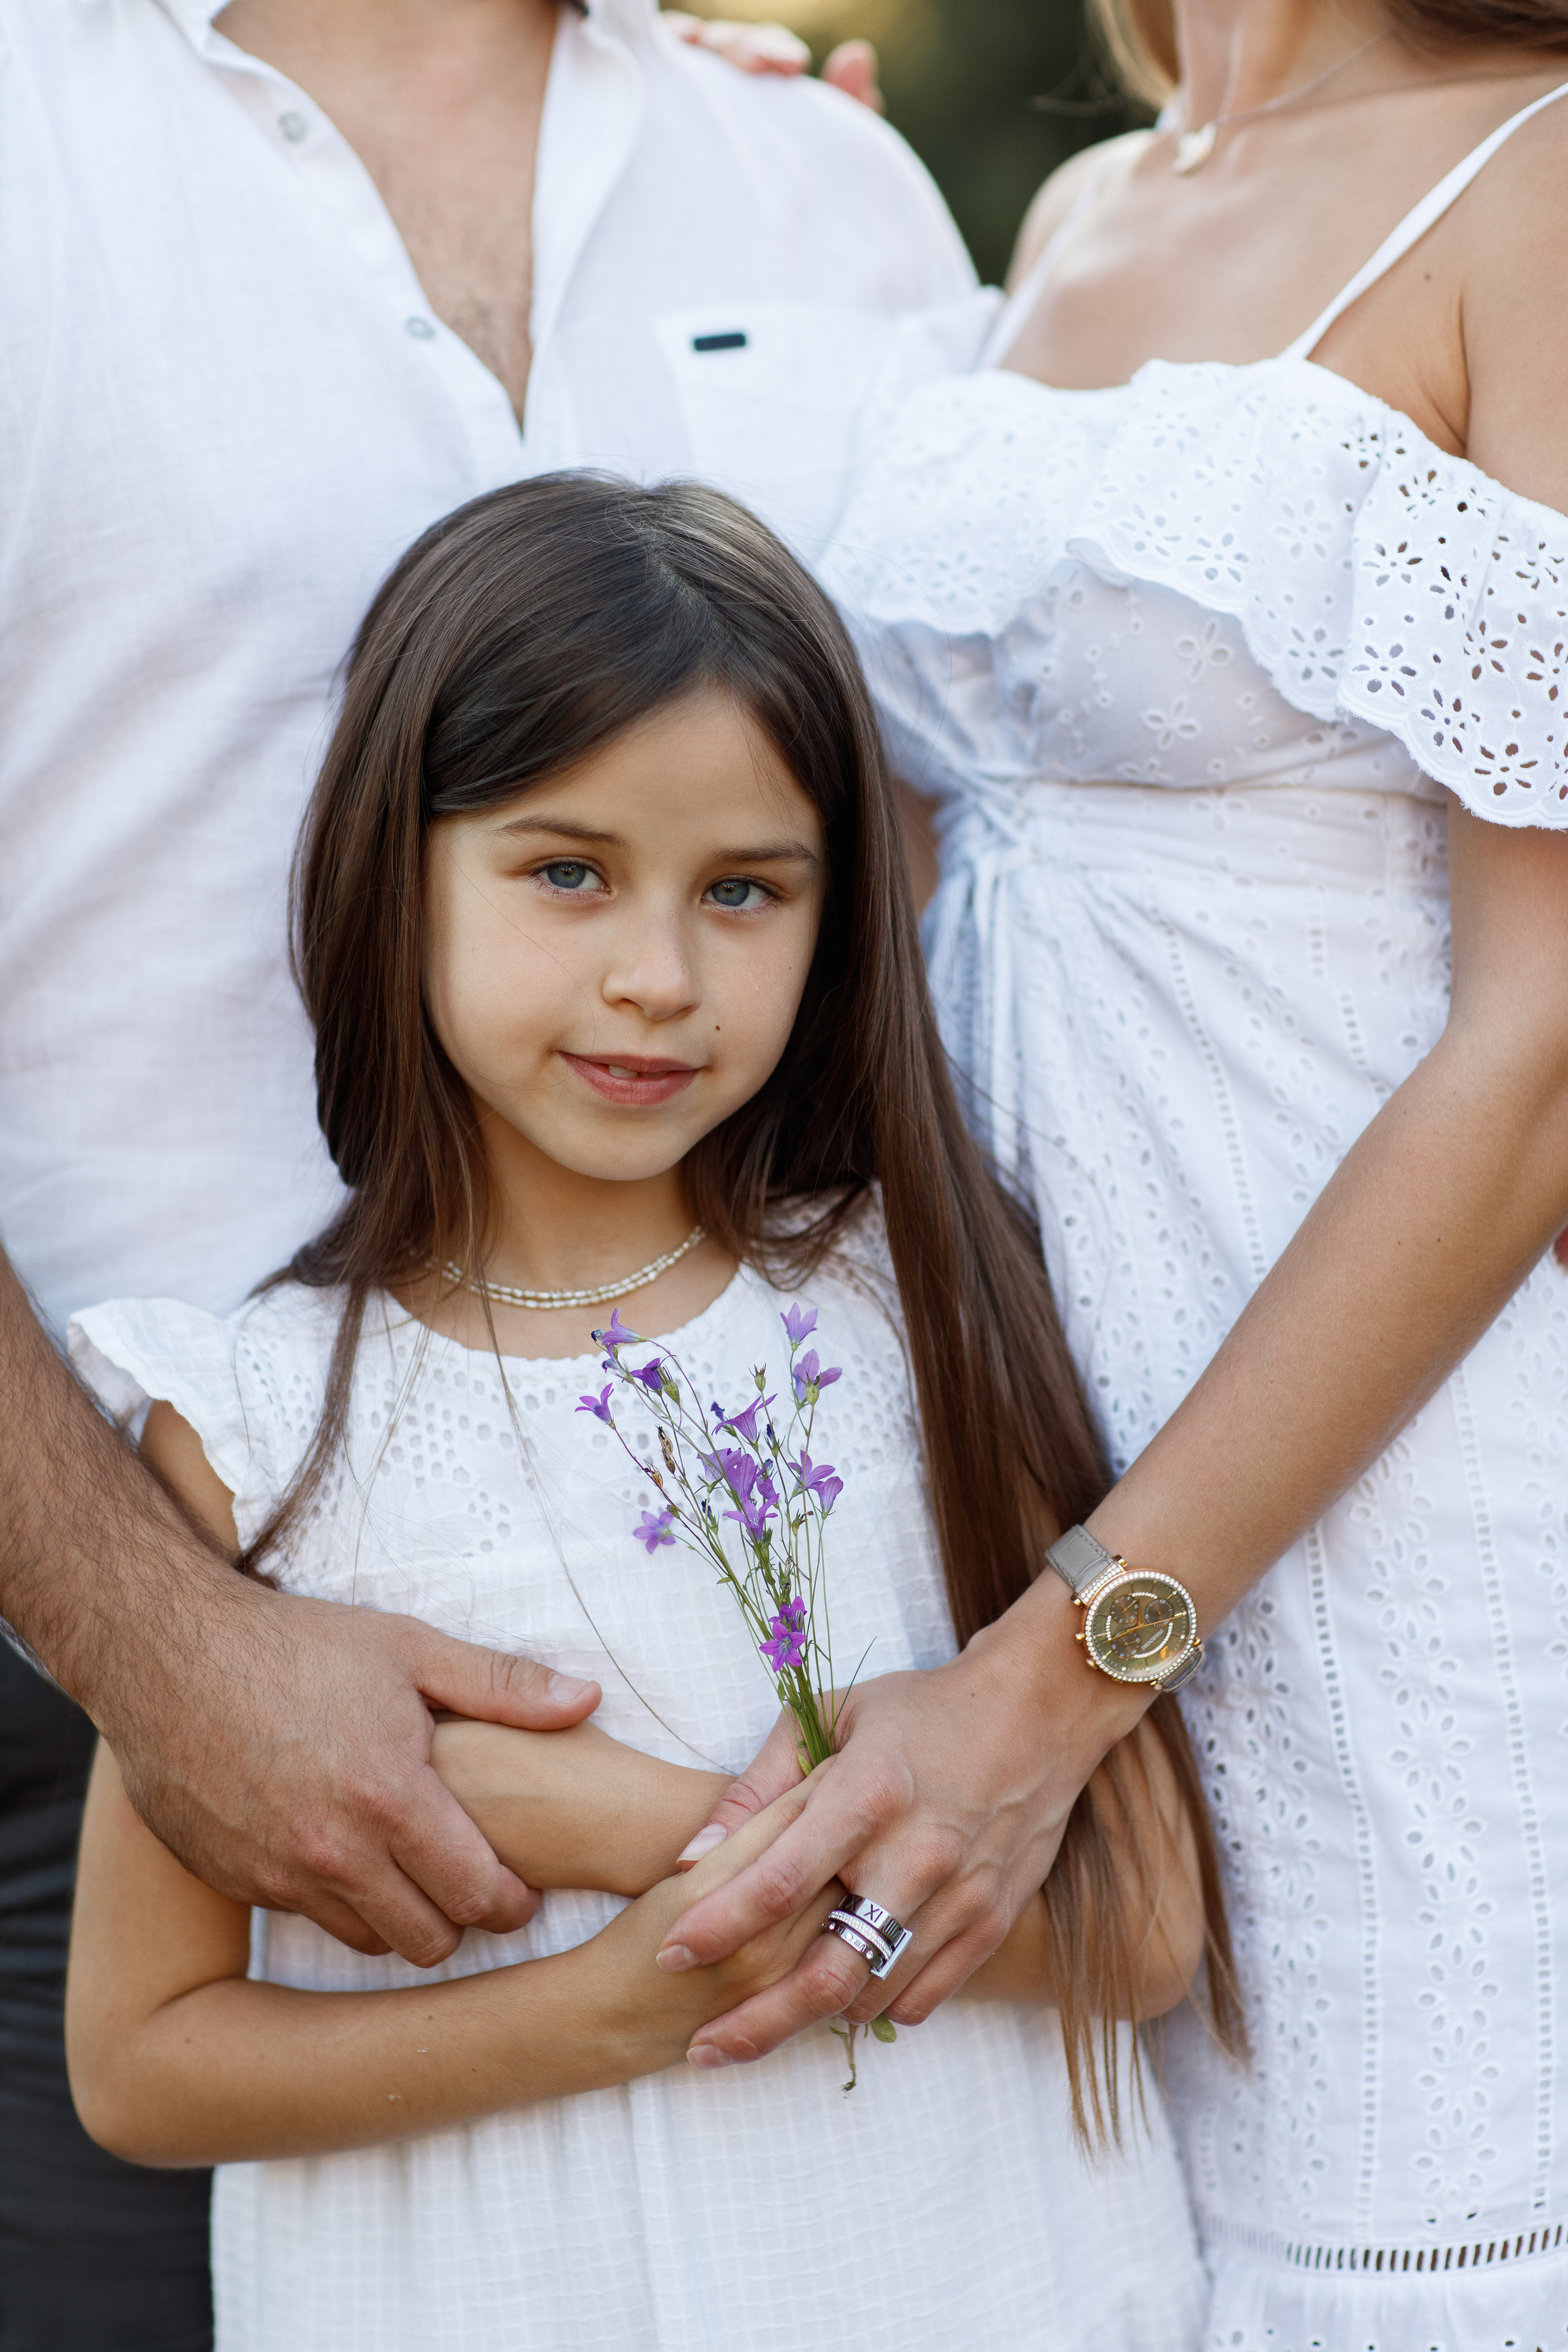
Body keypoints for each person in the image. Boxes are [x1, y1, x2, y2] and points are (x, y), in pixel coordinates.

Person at [0, 4, 965, 2340]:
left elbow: (981, 874)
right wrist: (164, 1639)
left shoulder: (826, 187)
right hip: (108, 1631)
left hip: (836, 1602)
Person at [63, 472, 1231, 2351]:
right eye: (566, 871)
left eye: (744, 891)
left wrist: (600, 1816)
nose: (658, 978)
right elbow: (144, 2060)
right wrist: (615, 1987)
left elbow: (1149, 1923)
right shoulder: (253, 1428)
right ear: (396, 867)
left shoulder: (900, 1303)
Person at [646, 4, 1568, 2346]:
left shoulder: (1542, 183)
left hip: (1397, 1579)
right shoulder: (1066, 211)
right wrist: (673, 144)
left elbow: (1546, 1046)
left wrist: (1067, 1676)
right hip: (976, 1531)